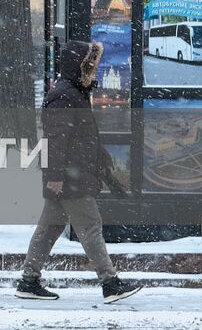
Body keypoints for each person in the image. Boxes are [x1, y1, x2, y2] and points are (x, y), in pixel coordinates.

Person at [16, 40, 140, 304]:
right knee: (91, 226)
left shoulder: (73, 91)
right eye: (91, 64)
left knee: (48, 229)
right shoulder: (64, 95)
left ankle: (28, 281)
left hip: (73, 173)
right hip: (71, 177)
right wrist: (55, 177)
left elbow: (83, 135)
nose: (95, 70)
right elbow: (55, 141)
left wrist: (101, 156)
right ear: (79, 65)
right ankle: (110, 283)